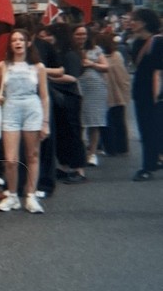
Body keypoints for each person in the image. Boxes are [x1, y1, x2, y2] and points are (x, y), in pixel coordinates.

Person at [0, 29, 50, 214]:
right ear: (10, 45)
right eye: (14, 40)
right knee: (10, 159)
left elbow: (44, 96)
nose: (17, 43)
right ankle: (12, 196)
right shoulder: (3, 66)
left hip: (32, 109)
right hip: (11, 109)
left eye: (21, 40)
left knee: (32, 155)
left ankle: (31, 196)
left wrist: (45, 122)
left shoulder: (38, 67)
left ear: (28, 43)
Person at [47, 23, 88, 184]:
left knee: (73, 133)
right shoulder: (60, 53)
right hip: (61, 98)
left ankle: (79, 169)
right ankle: (64, 166)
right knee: (63, 133)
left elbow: (72, 77)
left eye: (50, 35)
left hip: (70, 97)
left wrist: (48, 77)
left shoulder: (70, 55)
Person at [129, 8, 163, 181]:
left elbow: (157, 71)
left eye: (134, 20)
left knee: (151, 129)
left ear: (144, 22)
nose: (131, 22)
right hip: (140, 90)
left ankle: (147, 167)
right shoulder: (135, 43)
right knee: (147, 128)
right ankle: (155, 158)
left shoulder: (158, 42)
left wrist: (156, 96)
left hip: (152, 92)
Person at [73, 25, 108, 167]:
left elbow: (106, 67)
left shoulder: (95, 50)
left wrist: (91, 63)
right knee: (78, 121)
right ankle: (80, 151)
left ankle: (92, 153)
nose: (81, 37)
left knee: (94, 122)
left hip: (95, 88)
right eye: (78, 34)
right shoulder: (69, 50)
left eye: (84, 34)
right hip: (76, 86)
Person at [96, 32, 130, 157]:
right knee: (120, 120)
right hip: (119, 92)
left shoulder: (99, 58)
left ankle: (110, 148)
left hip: (105, 92)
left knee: (106, 122)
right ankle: (122, 146)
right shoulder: (117, 55)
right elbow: (123, 74)